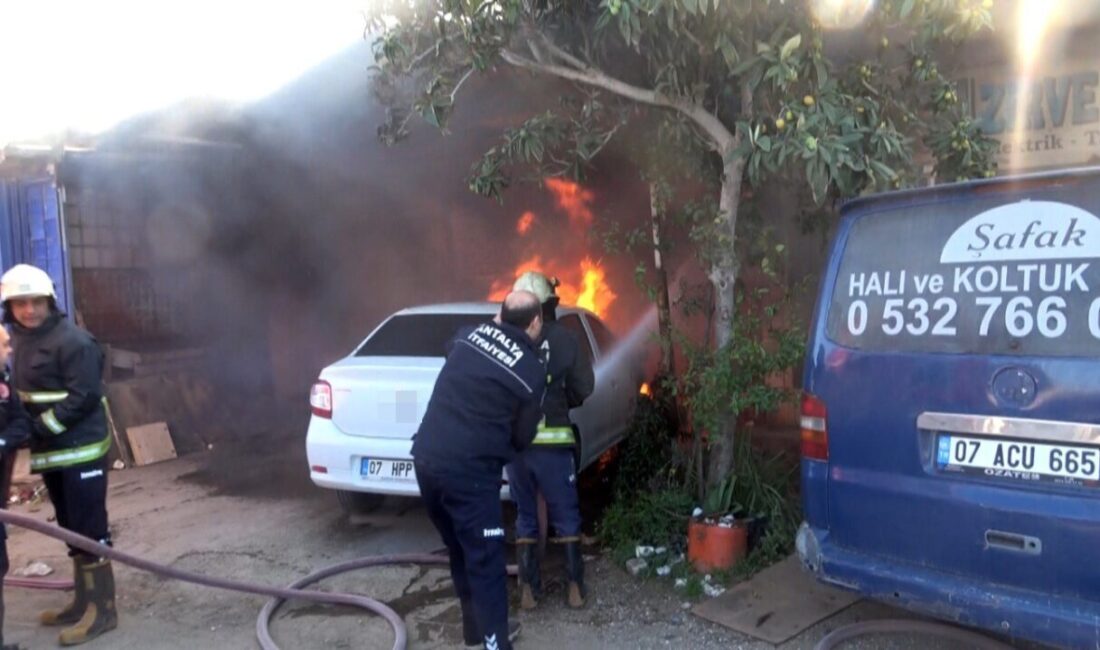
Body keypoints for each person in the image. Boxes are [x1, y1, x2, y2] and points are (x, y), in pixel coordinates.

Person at [412, 291, 547, 650]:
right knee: (487, 565)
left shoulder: (466, 336)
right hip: (469, 477)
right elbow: (522, 437)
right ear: (534, 322)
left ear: (500, 315)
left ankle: (476, 635)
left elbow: (452, 347)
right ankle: (495, 644)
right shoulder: (532, 372)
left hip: (425, 462)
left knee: (460, 550)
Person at [0, 264, 116, 646]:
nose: (29, 310)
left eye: (36, 302)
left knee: (90, 528)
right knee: (69, 527)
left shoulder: (75, 342)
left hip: (80, 449)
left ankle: (103, 612)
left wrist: (36, 428)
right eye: (20, 303)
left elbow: (85, 397)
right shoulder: (19, 339)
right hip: (52, 452)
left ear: (50, 300)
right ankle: (82, 603)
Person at [506, 272, 594, 610]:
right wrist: (562, 402)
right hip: (555, 446)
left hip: (517, 449)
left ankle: (528, 590)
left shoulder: (506, 341)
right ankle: (575, 588)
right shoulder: (566, 339)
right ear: (549, 305)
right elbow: (583, 386)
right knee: (567, 514)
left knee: (526, 516)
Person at [0, 325, 32, 650]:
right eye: (5, 344)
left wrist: (2, 441)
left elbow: (20, 422)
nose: (10, 349)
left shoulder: (4, 384)